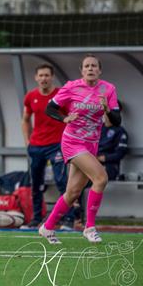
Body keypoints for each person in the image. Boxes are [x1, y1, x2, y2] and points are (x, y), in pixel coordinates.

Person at [39, 54, 121, 244]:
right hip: (72, 142)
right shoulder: (72, 87)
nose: (90, 68)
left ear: (99, 70)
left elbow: (117, 121)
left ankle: (47, 227)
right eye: (87, 66)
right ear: (82, 71)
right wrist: (64, 118)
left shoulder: (108, 89)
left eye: (94, 66)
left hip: (91, 144)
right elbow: (50, 108)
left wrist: (107, 109)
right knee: (101, 178)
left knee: (73, 192)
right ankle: (90, 227)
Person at [21, 64, 75, 230]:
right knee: (36, 183)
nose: (43, 78)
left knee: (61, 181)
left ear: (52, 77)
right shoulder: (31, 96)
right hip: (36, 146)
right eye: (41, 75)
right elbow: (25, 119)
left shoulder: (61, 95)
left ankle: (68, 219)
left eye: (46, 75)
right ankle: (36, 218)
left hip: (57, 145)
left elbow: (70, 115)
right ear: (36, 78)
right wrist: (27, 141)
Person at [97, 101, 128, 180]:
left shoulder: (120, 131)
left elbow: (120, 153)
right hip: (93, 161)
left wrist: (103, 158)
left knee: (98, 175)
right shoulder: (98, 128)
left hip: (109, 166)